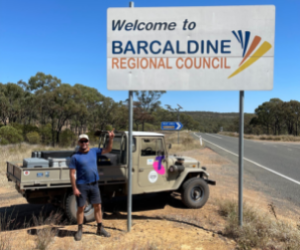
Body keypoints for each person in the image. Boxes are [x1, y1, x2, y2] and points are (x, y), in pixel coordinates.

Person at [69, 130, 115, 241]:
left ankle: (100, 228)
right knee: (81, 207)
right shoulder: (75, 157)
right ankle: (79, 230)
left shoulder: (94, 151)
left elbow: (108, 149)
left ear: (88, 142)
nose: (84, 143)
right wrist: (74, 188)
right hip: (81, 185)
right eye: (82, 141)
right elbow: (72, 173)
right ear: (79, 142)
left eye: (85, 141)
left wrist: (111, 139)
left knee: (98, 206)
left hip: (94, 184)